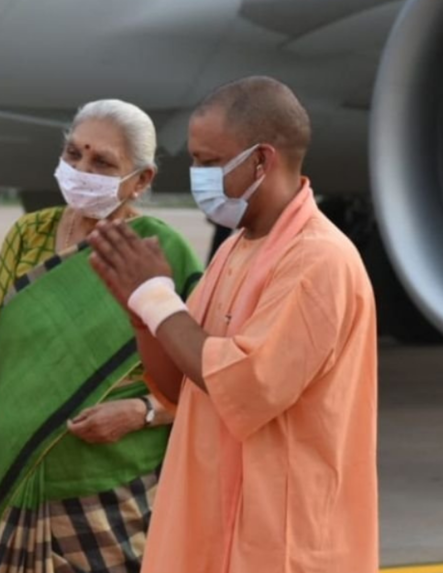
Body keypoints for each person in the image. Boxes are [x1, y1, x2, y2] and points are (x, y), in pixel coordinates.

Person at [88, 76, 379, 573]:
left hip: (278, 541)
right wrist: (142, 315)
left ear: (261, 160)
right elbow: (183, 384)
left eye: (208, 162)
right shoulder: (237, 248)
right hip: (211, 527)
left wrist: (158, 300)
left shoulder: (318, 260)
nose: (197, 176)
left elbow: (244, 383)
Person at [0, 99, 204, 573]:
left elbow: (209, 376)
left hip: (113, 489)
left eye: (102, 162)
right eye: (73, 154)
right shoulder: (28, 235)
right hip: (13, 473)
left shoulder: (160, 249)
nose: (81, 169)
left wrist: (141, 412)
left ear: (142, 180)